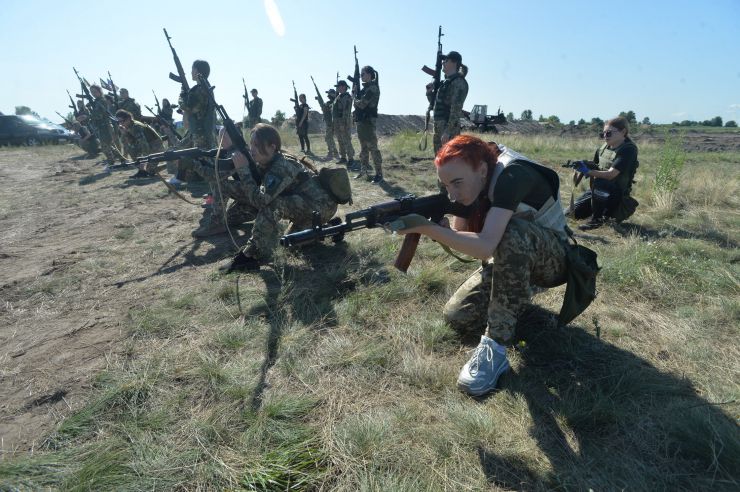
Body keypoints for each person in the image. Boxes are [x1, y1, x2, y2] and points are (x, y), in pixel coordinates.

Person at [391, 135, 571, 396]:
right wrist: (442, 230)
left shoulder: (512, 176)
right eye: (445, 185)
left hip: (556, 261)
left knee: (514, 232)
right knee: (457, 317)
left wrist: (427, 228)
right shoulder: (475, 185)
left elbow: (486, 245)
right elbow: (468, 239)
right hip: (512, 260)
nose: (451, 194)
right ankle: (516, 295)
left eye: (457, 183)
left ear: (483, 170)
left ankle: (495, 349)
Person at [191, 124, 338, 273]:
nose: (252, 149)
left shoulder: (282, 166)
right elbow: (217, 176)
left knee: (275, 215)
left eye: (256, 145)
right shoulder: (262, 160)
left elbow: (262, 201)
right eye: (251, 144)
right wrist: (195, 164)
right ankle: (327, 229)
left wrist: (243, 171)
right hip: (300, 204)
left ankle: (249, 255)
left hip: (320, 206)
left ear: (272, 147)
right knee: (289, 242)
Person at [176, 59, 223, 237]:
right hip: (203, 131)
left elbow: (190, 108)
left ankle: (216, 200)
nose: (190, 72)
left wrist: (182, 95)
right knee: (207, 166)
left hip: (202, 133)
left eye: (192, 69)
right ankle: (213, 196)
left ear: (198, 71)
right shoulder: (204, 87)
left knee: (208, 168)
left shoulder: (200, 89)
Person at [571, 116, 639, 230]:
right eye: (603, 134)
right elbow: (597, 166)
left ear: (623, 132)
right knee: (571, 213)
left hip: (616, 196)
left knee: (602, 182)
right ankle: (595, 213)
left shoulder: (628, 150)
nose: (605, 137)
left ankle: (597, 219)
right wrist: (584, 165)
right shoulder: (603, 148)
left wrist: (588, 171)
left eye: (609, 133)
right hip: (598, 193)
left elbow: (610, 175)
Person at [433, 51, 469, 154]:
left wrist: (448, 131)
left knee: (450, 162)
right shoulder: (446, 82)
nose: (443, 63)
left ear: (454, 62)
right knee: (439, 161)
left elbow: (456, 110)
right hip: (439, 127)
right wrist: (429, 94)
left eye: (446, 60)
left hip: (448, 129)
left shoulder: (458, 82)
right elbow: (439, 105)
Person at [353, 65, 383, 183]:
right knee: (363, 148)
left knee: (373, 148)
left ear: (370, 74)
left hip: (369, 122)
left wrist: (354, 97)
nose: (361, 76)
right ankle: (364, 171)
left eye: (363, 74)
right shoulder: (365, 88)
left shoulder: (373, 88)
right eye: (360, 74)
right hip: (362, 121)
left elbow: (362, 104)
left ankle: (379, 174)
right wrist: (356, 93)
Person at [115, 109, 165, 178]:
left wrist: (144, 159)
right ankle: (142, 171)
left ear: (128, 118)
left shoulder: (136, 127)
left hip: (155, 146)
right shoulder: (129, 126)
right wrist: (124, 133)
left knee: (149, 171)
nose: (121, 124)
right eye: (118, 122)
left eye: (122, 121)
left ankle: (166, 165)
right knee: (131, 149)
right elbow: (129, 142)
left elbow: (144, 144)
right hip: (149, 145)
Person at [87, 84, 126, 166]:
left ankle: (112, 161)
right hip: (102, 126)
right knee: (108, 145)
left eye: (95, 91)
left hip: (106, 126)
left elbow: (99, 115)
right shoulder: (97, 101)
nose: (93, 93)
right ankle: (120, 159)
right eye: (91, 92)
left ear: (99, 91)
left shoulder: (102, 101)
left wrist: (89, 113)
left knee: (105, 146)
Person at [333, 80, 356, 167]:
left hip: (343, 122)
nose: (337, 88)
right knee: (340, 140)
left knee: (346, 140)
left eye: (339, 86)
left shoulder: (346, 97)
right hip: (338, 122)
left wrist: (342, 124)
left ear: (343, 87)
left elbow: (346, 112)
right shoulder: (339, 96)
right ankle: (343, 157)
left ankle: (351, 159)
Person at [319, 88, 339, 159]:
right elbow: (324, 109)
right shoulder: (328, 102)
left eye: (330, 93)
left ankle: (333, 152)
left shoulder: (336, 102)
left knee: (329, 138)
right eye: (328, 94)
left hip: (333, 123)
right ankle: (332, 152)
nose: (328, 95)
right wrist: (319, 101)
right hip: (329, 122)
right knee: (328, 138)